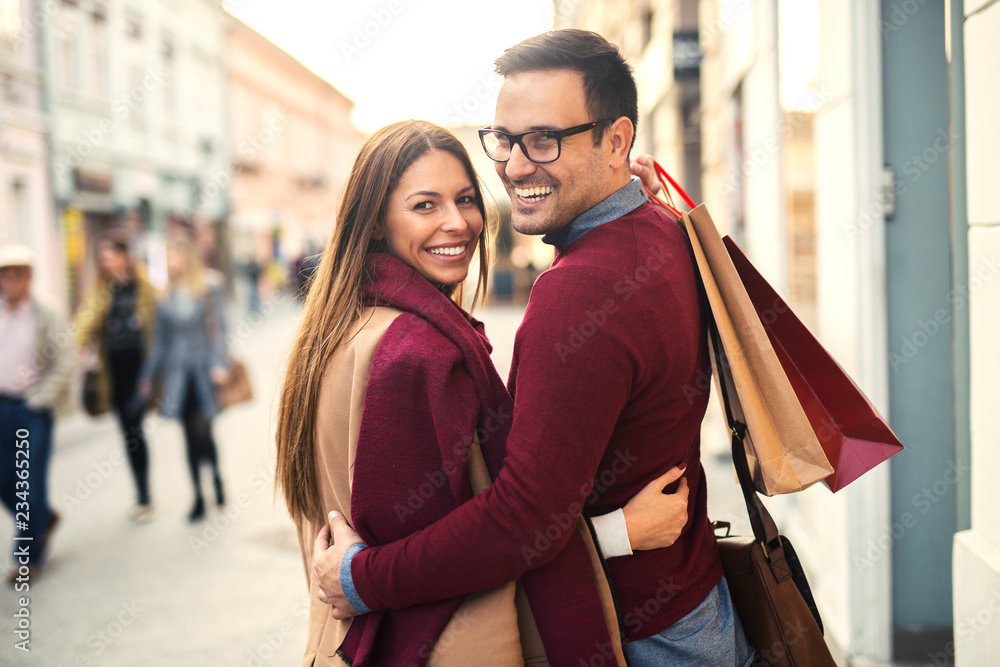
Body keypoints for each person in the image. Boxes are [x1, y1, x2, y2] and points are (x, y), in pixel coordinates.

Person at [314, 30, 755, 666]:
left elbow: (524, 520)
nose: (516, 166)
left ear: (617, 140)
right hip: (690, 607)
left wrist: (364, 578)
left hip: (641, 635)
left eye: (544, 140)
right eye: (504, 140)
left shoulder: (578, 293)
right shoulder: (662, 229)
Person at [276, 120, 690, 666]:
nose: (458, 223)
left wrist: (640, 213)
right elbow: (451, 562)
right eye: (425, 206)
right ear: (375, 222)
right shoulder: (417, 355)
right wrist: (618, 533)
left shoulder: (341, 327)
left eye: (466, 199)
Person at [137, 239, 229, 522]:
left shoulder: (208, 289)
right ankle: (198, 496)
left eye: (174, 256)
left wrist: (218, 363)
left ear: (187, 259)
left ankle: (215, 477)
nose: (169, 262)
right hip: (177, 377)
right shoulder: (163, 297)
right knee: (188, 436)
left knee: (203, 432)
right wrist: (148, 376)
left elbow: (219, 331)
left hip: (204, 372)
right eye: (167, 257)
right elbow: (159, 343)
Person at [0, 244, 75, 581]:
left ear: (29, 278)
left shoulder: (48, 313)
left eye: (15, 275)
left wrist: (40, 399)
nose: (8, 282)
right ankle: (42, 518)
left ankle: (27, 558)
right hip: (2, 406)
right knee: (5, 482)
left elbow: (66, 360)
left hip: (32, 409)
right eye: (3, 276)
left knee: (29, 484)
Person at [75, 232, 158, 522]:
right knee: (128, 431)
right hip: (115, 372)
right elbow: (84, 322)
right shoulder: (102, 290)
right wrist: (81, 344)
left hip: (140, 369)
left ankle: (145, 496)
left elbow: (157, 326)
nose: (107, 262)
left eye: (111, 256)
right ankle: (142, 494)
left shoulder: (144, 288)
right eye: (103, 258)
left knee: (135, 429)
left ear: (125, 256)